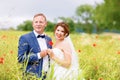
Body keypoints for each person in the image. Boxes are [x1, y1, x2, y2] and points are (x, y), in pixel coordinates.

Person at [18, 13, 52, 79]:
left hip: (47, 75)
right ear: (33, 24)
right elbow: (20, 58)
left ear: (45, 24)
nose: (38, 24)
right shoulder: (25, 38)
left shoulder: (48, 39)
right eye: (36, 22)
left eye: (41, 22)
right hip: (32, 76)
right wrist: (39, 55)